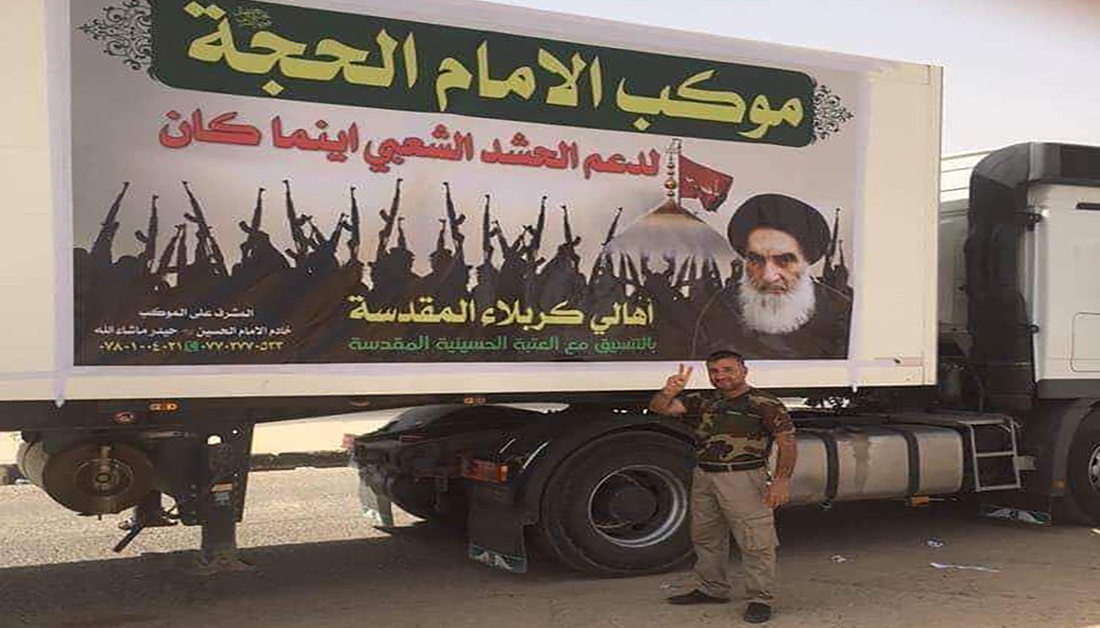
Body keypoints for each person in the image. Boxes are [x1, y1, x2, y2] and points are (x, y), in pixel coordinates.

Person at [650, 351, 797, 624]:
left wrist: (781, 480)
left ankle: (760, 599)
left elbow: (787, 443)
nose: (720, 376)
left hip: (743, 477)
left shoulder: (764, 403)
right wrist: (668, 391)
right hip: (705, 475)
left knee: (755, 541)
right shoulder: (704, 400)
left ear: (744, 371)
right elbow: (661, 408)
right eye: (714, 371)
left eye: (728, 369)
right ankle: (712, 588)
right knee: (706, 536)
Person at [698, 194, 851, 359]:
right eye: (756, 260)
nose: (768, 276)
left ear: (806, 261)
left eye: (784, 260)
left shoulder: (839, 309)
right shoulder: (723, 305)